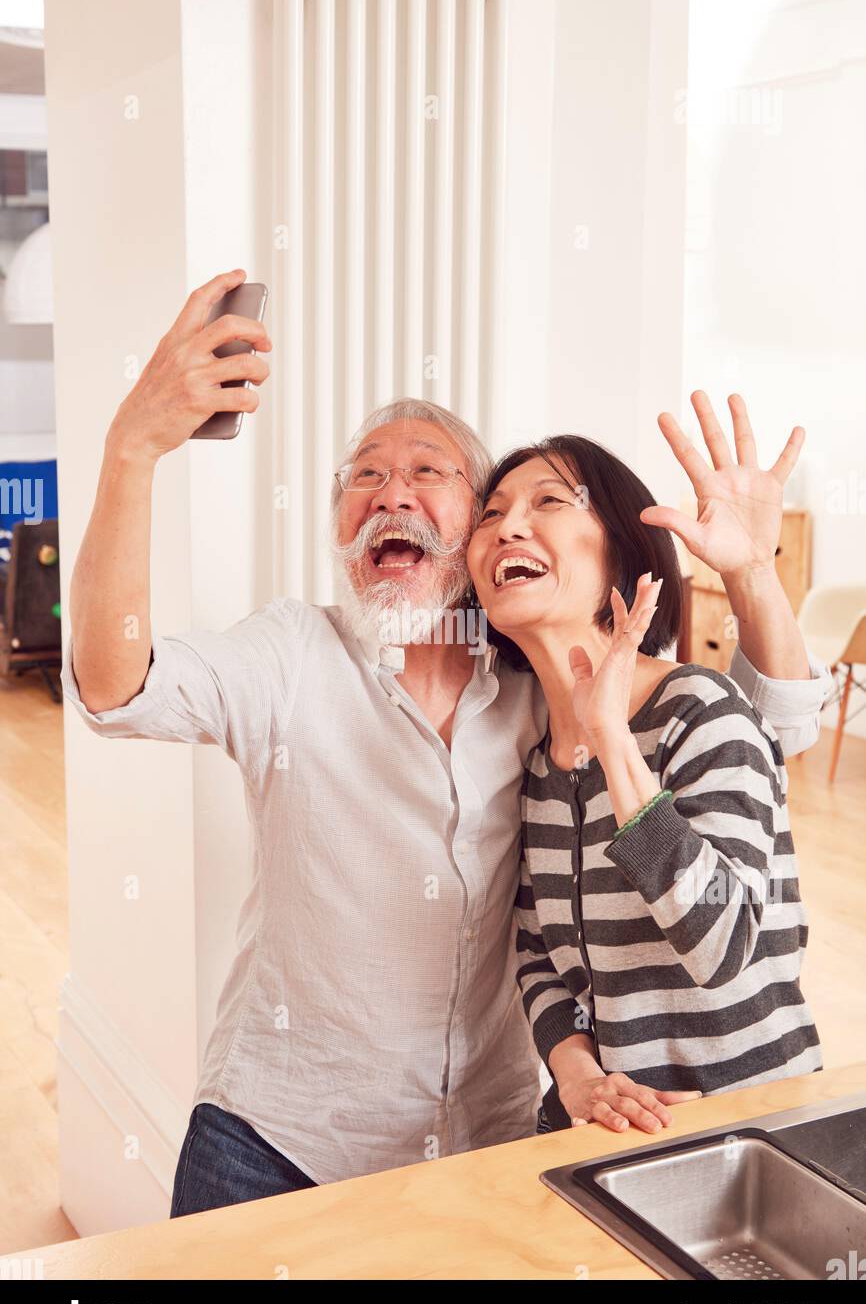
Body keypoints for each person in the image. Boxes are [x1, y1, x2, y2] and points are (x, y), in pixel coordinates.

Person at [62, 268, 830, 1214]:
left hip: (512, 1142)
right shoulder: (296, 655)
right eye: (365, 477)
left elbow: (770, 727)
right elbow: (114, 683)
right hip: (280, 1141)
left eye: (431, 472)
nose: (393, 494)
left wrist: (752, 576)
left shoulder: (547, 702)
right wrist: (132, 449)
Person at [466, 428, 822, 1137]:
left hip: (752, 1125)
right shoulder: (538, 764)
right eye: (491, 512)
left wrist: (614, 745)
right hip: (604, 1126)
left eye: (548, 501)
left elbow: (723, 946)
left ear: (621, 549)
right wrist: (578, 1077)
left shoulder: (701, 711)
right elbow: (536, 947)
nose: (509, 525)